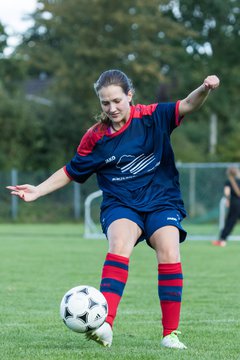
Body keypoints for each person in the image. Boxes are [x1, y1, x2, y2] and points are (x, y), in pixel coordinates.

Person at [7, 70, 220, 350]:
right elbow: (71, 171)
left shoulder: (152, 116)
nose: (112, 108)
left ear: (129, 96)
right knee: (119, 244)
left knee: (169, 250)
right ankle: (105, 324)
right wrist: (38, 189)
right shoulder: (95, 138)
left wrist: (205, 87)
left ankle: (170, 334)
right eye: (105, 103)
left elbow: (188, 104)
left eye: (117, 101)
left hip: (161, 200)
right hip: (121, 203)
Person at [212, 166, 240, 247]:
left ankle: (222, 240)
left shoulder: (228, 181)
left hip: (235, 204)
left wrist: (227, 200)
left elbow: (227, 193)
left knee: (230, 222)